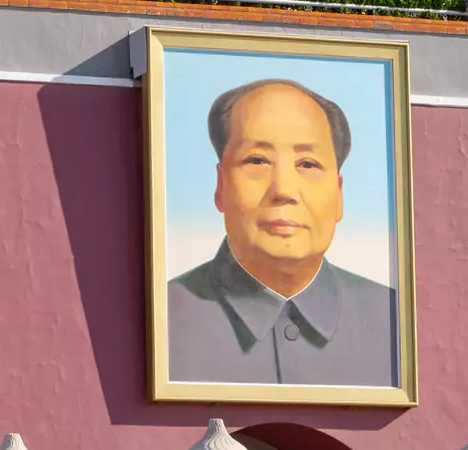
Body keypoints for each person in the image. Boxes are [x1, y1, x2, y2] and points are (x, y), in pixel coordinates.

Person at [166, 79, 399, 387]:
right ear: (221, 186)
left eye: (308, 164)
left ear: (339, 194)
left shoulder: (396, 322)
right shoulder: (165, 316)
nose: (284, 190)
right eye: (258, 160)